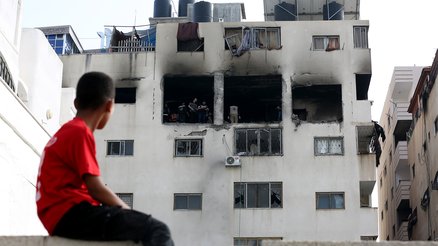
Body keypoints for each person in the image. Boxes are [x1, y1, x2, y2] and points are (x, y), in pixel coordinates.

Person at [35, 72, 174, 246]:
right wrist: (126, 210)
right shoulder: (80, 132)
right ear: (109, 106)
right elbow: (96, 188)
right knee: (157, 230)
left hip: (56, 216)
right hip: (71, 214)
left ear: (76, 103)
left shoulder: (65, 131)